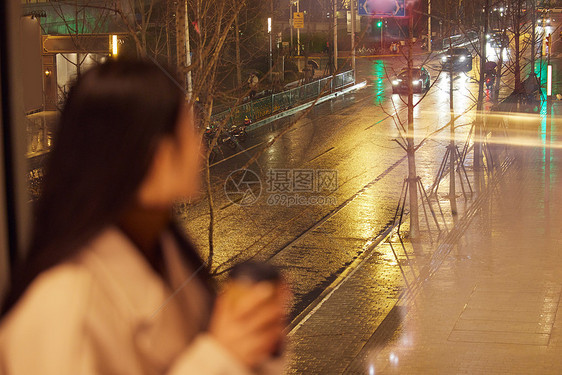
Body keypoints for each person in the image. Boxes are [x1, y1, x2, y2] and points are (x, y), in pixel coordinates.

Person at [0, 60, 288, 374]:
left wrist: (254, 343)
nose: (201, 147)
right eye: (188, 130)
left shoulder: (166, 251)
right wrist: (220, 356)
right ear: (153, 156)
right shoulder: (60, 307)